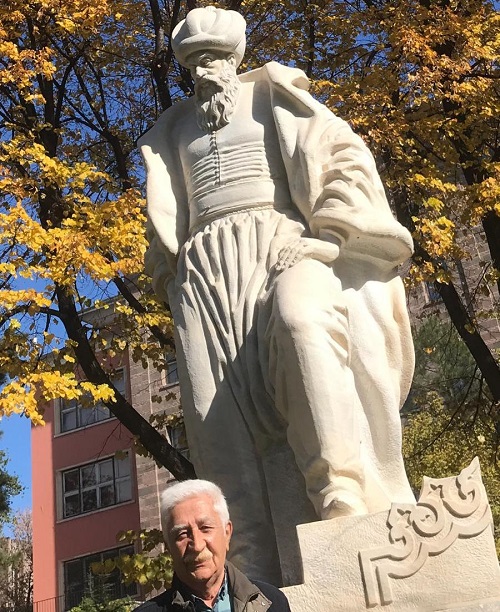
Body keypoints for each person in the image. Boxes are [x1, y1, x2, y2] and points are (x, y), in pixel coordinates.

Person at [140, 6, 416, 583]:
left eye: (214, 58)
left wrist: (330, 237)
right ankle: (251, 574)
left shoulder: (273, 95)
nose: (205, 70)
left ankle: (343, 503)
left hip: (285, 245)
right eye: (194, 62)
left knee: (302, 322)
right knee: (214, 420)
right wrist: (172, 277)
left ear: (235, 58)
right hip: (204, 275)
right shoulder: (172, 131)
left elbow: (343, 160)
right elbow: (166, 220)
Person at [135, 480, 291, 611]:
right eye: (182, 534)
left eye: (205, 528)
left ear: (227, 533)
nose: (197, 545)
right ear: (168, 547)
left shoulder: (272, 602)